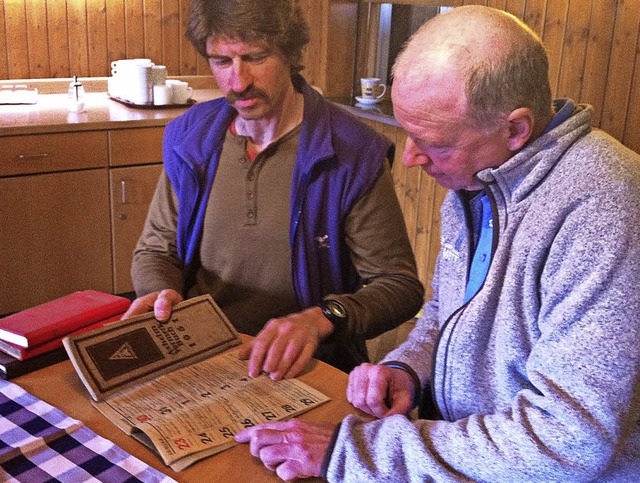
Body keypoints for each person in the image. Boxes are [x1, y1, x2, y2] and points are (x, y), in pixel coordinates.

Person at [235, 5, 640, 481]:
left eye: (436, 143)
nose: (409, 158)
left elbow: (570, 438)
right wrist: (409, 369)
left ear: (515, 129)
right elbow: (445, 314)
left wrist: (354, 453)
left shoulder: (606, 206)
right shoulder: (477, 183)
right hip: (466, 455)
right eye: (406, 132)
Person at [124, 0, 424, 379]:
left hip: (306, 365)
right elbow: (156, 249)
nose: (238, 81)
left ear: (290, 54)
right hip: (203, 356)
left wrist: (322, 319)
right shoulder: (192, 138)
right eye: (221, 61)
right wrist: (159, 291)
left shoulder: (350, 152)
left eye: (255, 57)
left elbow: (399, 287)